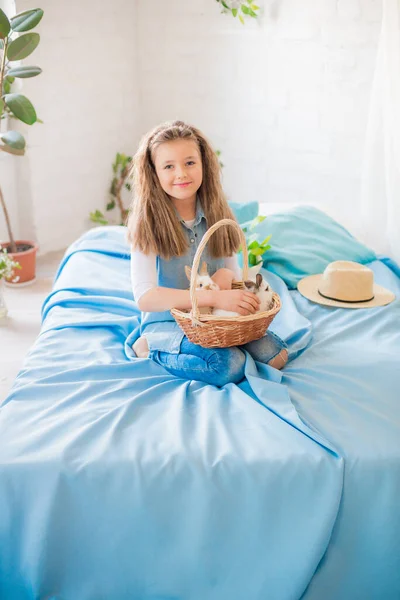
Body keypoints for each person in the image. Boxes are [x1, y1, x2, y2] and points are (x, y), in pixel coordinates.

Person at [126, 120, 288, 387]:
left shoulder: (218, 214)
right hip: (169, 322)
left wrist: (226, 285)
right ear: (154, 173)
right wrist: (214, 295)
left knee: (276, 356)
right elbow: (145, 298)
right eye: (169, 166)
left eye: (190, 162)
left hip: (213, 318)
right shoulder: (148, 224)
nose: (181, 173)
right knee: (228, 366)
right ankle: (150, 345)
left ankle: (225, 350)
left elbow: (231, 274)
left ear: (204, 165)